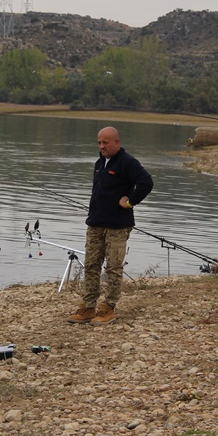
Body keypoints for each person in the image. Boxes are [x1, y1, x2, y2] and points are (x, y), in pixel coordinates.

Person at [69, 126, 154, 325]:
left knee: (113, 268)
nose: (101, 146)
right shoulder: (100, 163)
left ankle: (108, 308)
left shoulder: (127, 162)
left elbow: (146, 182)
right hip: (95, 224)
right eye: (99, 143)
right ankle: (89, 306)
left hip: (117, 225)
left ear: (116, 142)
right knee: (91, 265)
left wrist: (130, 201)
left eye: (105, 142)